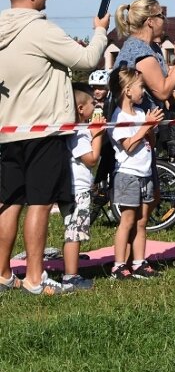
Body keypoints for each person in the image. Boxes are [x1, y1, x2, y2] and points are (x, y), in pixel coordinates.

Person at [0, 0, 108, 295]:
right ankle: (35, 278)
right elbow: (87, 59)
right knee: (40, 202)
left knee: (8, 202)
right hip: (43, 130)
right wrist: (100, 31)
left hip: (8, 130)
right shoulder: (39, 29)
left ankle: (3, 274)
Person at [108, 66, 165, 280]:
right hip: (128, 175)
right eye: (141, 87)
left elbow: (151, 142)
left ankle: (139, 262)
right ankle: (119, 265)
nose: (144, 91)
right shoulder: (118, 117)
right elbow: (129, 146)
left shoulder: (141, 113)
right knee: (128, 220)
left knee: (142, 221)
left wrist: (151, 129)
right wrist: (144, 127)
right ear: (127, 90)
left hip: (145, 173)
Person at [55, 83, 106, 290]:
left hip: (78, 189)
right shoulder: (78, 134)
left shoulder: (80, 130)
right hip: (77, 191)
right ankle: (70, 277)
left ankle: (71, 272)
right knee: (74, 233)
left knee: (73, 232)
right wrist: (98, 135)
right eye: (93, 103)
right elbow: (91, 159)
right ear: (81, 109)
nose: (97, 106)